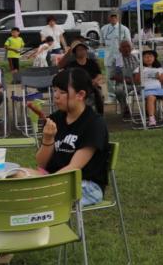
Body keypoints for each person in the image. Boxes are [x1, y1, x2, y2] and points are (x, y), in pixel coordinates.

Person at [36, 68, 110, 207]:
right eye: (55, 90)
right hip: (56, 179)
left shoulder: (94, 123)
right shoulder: (55, 119)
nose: (56, 96)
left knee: (35, 198)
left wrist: (44, 184)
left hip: (85, 185)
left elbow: (75, 167)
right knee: (17, 178)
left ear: (80, 94)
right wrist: (47, 139)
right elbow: (41, 164)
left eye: (63, 92)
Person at [64, 42, 105, 115]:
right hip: (77, 86)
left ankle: (100, 114)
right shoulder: (71, 65)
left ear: (86, 51)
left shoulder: (92, 63)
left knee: (99, 94)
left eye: (83, 49)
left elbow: (99, 74)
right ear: (75, 52)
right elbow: (68, 76)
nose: (81, 52)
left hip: (92, 85)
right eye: (79, 50)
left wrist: (95, 80)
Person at [139, 48, 163, 127]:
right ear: (142, 59)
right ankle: (151, 118)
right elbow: (136, 81)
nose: (148, 58)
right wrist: (141, 75)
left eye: (150, 56)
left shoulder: (159, 69)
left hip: (158, 89)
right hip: (147, 89)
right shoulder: (140, 69)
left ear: (154, 58)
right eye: (146, 57)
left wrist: (160, 77)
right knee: (151, 97)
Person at [107, 39, 140, 116]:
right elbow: (112, 76)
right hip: (124, 83)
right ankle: (125, 108)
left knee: (148, 87)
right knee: (119, 90)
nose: (126, 49)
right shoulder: (118, 60)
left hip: (137, 82)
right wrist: (126, 80)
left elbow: (141, 71)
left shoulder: (136, 58)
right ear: (120, 49)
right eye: (123, 47)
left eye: (128, 46)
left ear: (132, 48)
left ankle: (148, 110)